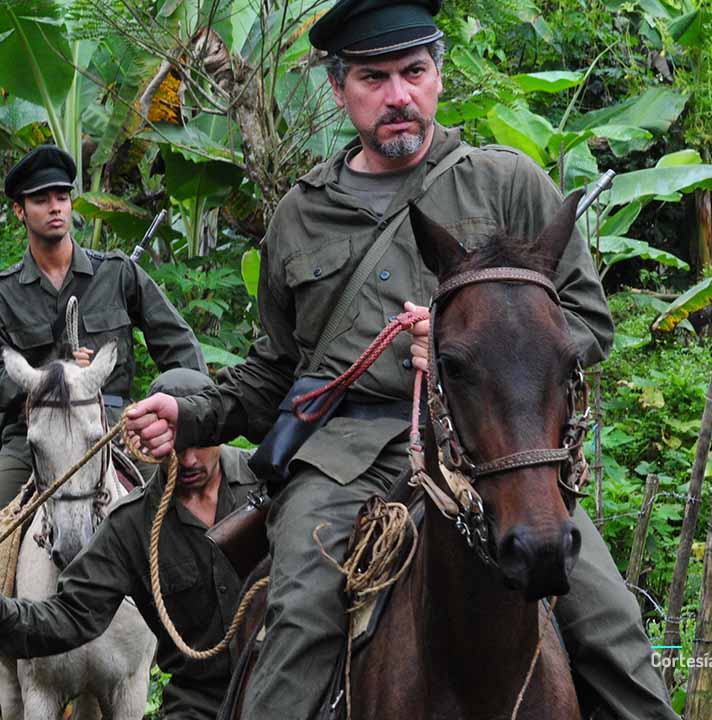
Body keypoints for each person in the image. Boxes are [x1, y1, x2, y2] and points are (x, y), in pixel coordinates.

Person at [126, 1, 679, 718]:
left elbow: (585, 323)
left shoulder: (507, 183)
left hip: (493, 451)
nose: (398, 95)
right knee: (298, 618)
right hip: (342, 459)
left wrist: (465, 346)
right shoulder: (301, 215)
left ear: (438, 77)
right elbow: (275, 372)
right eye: (373, 78)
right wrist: (191, 412)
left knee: (610, 627)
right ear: (338, 89)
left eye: (413, 72)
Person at [0, 369, 260, 720]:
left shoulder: (267, 482)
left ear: (219, 429)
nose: (188, 460)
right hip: (197, 704)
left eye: (200, 442)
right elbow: (72, 613)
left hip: (277, 687)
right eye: (175, 444)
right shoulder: (131, 524)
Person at [0, 144, 207, 545]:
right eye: (41, 200)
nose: (55, 207)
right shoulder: (1, 295)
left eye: (61, 197)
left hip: (113, 427)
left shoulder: (116, 273)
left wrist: (191, 409)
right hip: (33, 434)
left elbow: (177, 343)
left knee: (184, 513)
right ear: (19, 210)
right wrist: (51, 373)